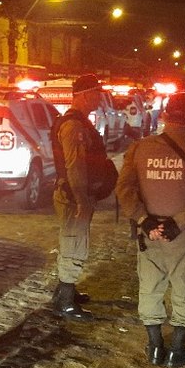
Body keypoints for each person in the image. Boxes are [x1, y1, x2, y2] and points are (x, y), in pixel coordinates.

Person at [115, 92, 185, 367]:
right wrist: (180, 222)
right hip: (184, 234)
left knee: (150, 287)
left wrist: (144, 220)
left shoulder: (140, 148)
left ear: (163, 116)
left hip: (148, 234)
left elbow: (124, 189)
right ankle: (176, 351)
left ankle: (154, 348)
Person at [50, 74, 116, 321]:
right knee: (75, 245)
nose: (100, 98)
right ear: (84, 95)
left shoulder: (78, 122)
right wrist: (82, 201)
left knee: (72, 242)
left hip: (75, 194)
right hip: (73, 196)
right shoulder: (74, 126)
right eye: (96, 93)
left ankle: (65, 292)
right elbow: (74, 167)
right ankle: (64, 302)